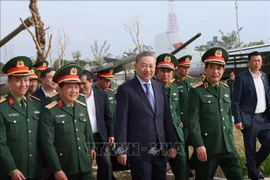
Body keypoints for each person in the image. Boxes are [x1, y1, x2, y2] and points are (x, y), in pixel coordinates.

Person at [114, 51, 177, 180]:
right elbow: (121, 122)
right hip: (139, 150)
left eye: (151, 66)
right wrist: (121, 149)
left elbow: (166, 118)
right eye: (143, 65)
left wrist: (172, 143)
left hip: (160, 148)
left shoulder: (160, 87)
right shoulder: (126, 89)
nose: (147, 69)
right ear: (135, 66)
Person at [188, 47, 243, 180]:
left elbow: (227, 116)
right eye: (212, 67)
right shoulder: (197, 91)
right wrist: (198, 145)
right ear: (205, 69)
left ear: (223, 70)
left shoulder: (225, 90)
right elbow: (192, 121)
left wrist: (230, 138)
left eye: (219, 68)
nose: (215, 71)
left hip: (227, 146)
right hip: (208, 148)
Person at [40, 63, 96, 180]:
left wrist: (91, 147)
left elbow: (87, 131)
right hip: (64, 167)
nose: (74, 91)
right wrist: (56, 169)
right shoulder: (50, 110)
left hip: (84, 165)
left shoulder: (81, 106)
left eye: (76, 87)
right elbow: (47, 143)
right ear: (59, 88)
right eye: (69, 87)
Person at [0, 56, 43, 180]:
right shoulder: (2, 108)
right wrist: (12, 169)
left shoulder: (36, 104)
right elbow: (1, 143)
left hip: (36, 169)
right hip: (12, 171)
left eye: (26, 80)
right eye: (18, 80)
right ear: (9, 81)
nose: (23, 84)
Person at [232, 51, 270, 180]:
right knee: (250, 148)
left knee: (268, 143)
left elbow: (267, 96)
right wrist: (238, 119)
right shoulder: (241, 78)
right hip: (250, 118)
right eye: (254, 60)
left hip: (264, 118)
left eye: (259, 60)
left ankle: (252, 166)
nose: (257, 63)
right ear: (249, 62)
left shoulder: (264, 76)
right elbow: (235, 100)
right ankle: (253, 174)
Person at [155, 53, 187, 180]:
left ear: (173, 73)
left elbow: (177, 110)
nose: (166, 74)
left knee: (181, 168)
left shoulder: (175, 89)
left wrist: (179, 121)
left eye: (169, 71)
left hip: (176, 134)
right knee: (159, 169)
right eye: (163, 70)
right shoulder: (152, 88)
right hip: (159, 134)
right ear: (157, 71)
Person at [80, 70, 115, 180]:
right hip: (84, 137)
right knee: (86, 166)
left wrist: (111, 134)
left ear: (91, 82)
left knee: (106, 164)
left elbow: (108, 116)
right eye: (79, 84)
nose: (81, 87)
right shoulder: (75, 98)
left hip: (100, 136)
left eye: (83, 83)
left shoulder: (101, 94)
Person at [172, 55, 195, 177]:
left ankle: (191, 164)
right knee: (183, 148)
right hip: (182, 121)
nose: (186, 70)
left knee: (199, 144)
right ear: (177, 68)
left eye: (188, 67)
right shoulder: (173, 83)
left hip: (193, 120)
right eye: (184, 67)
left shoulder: (191, 81)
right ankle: (185, 169)